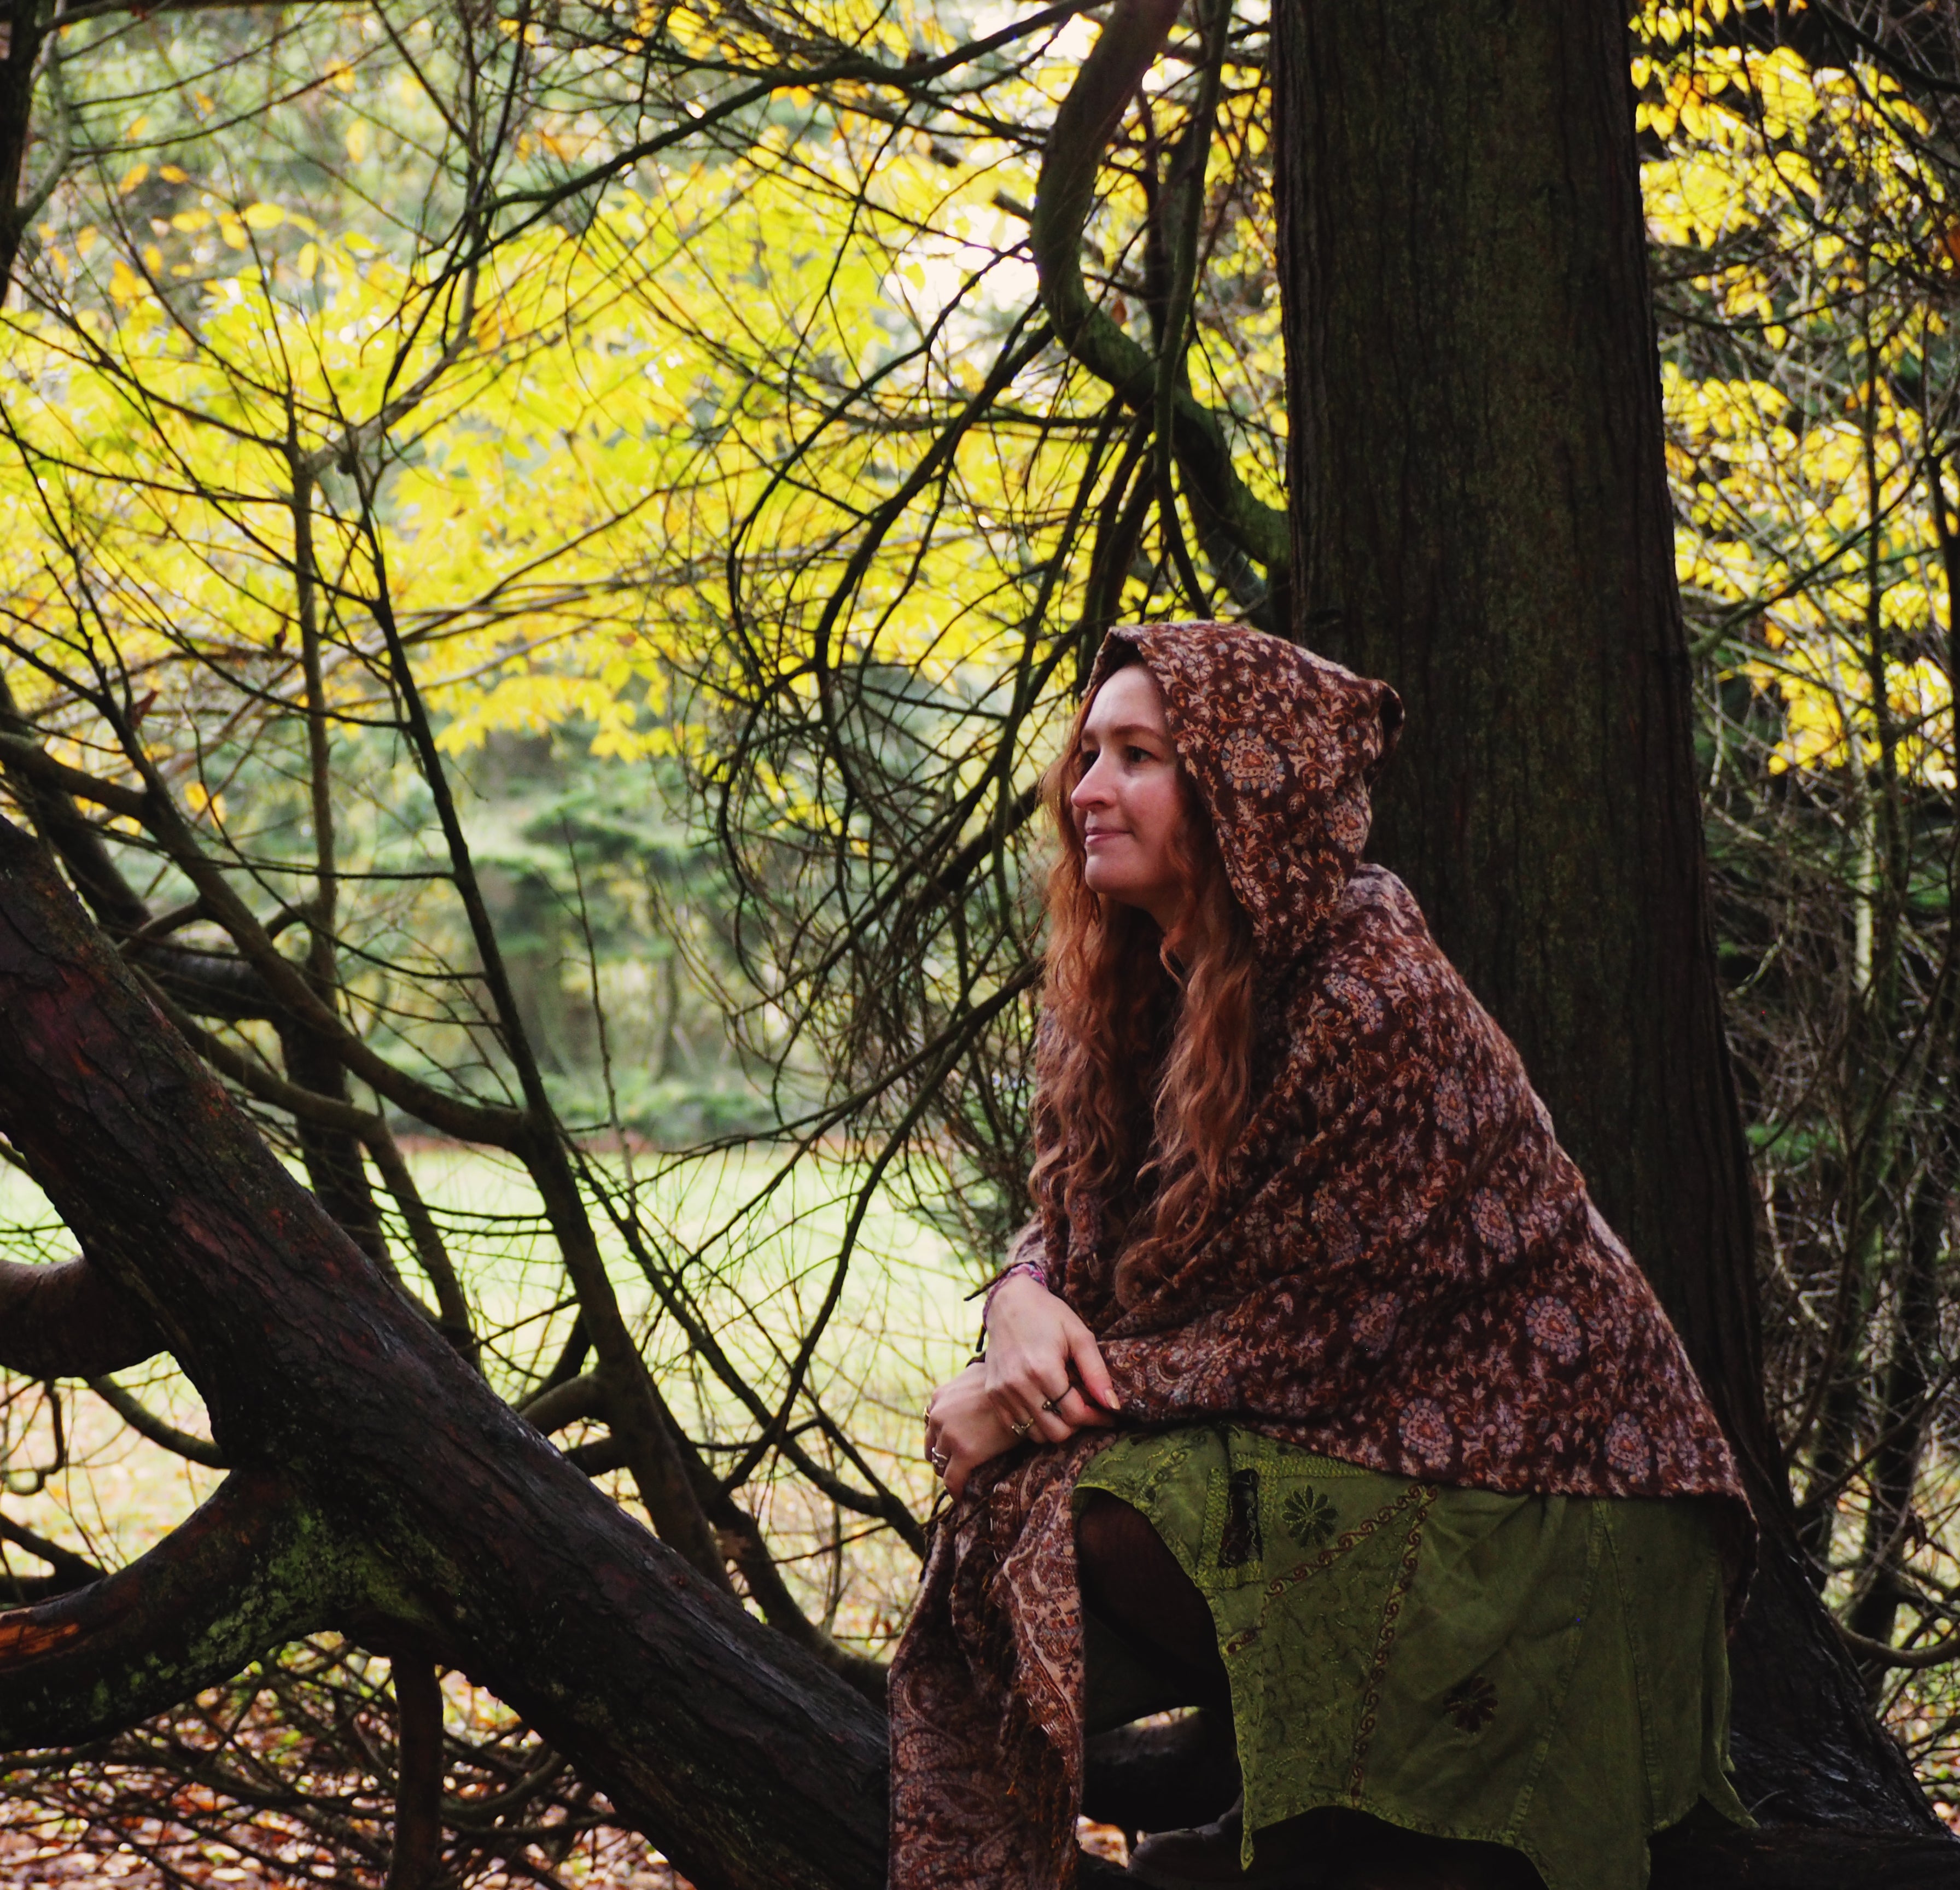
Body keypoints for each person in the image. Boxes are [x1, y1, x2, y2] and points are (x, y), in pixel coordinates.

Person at [889, 623, 1754, 1890]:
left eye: (1139, 757)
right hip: (1351, 1434)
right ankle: (1265, 1817)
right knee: (1021, 1523)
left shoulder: (1366, 987)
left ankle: (1304, 1827)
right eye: (1087, 752)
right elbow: (1073, 1216)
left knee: (1090, 1514)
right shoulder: (1132, 979)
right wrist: (1019, 1303)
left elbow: (1314, 1330)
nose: (1085, 787)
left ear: (1245, 786)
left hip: (1545, 1485)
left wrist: (1019, 1404)